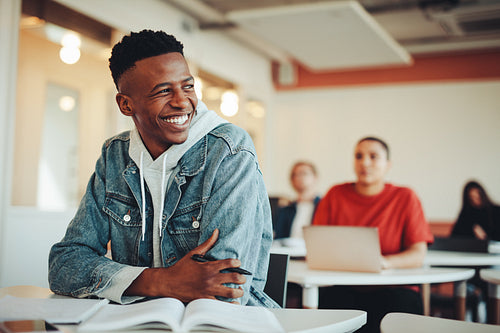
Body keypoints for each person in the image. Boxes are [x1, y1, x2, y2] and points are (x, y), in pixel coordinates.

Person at [48, 30, 276, 307]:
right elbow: (64, 264)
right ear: (126, 104)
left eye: (188, 86)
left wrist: (128, 281)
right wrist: (161, 281)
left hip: (219, 323)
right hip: (135, 319)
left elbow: (224, 288)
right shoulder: (115, 155)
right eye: (163, 91)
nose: (182, 101)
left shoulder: (229, 149)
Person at [312, 136, 434, 333]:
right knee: (328, 304)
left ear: (388, 164)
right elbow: (318, 244)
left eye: (373, 156)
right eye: (358, 156)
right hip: (344, 286)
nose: (365, 163)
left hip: (394, 288)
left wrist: (385, 262)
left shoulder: (405, 197)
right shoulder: (335, 194)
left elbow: (418, 254)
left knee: (400, 307)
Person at [274, 161, 321, 240]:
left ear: (315, 177)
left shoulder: (324, 207)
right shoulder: (285, 210)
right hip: (288, 251)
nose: (298, 177)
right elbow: (278, 238)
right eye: (294, 175)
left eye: (304, 173)